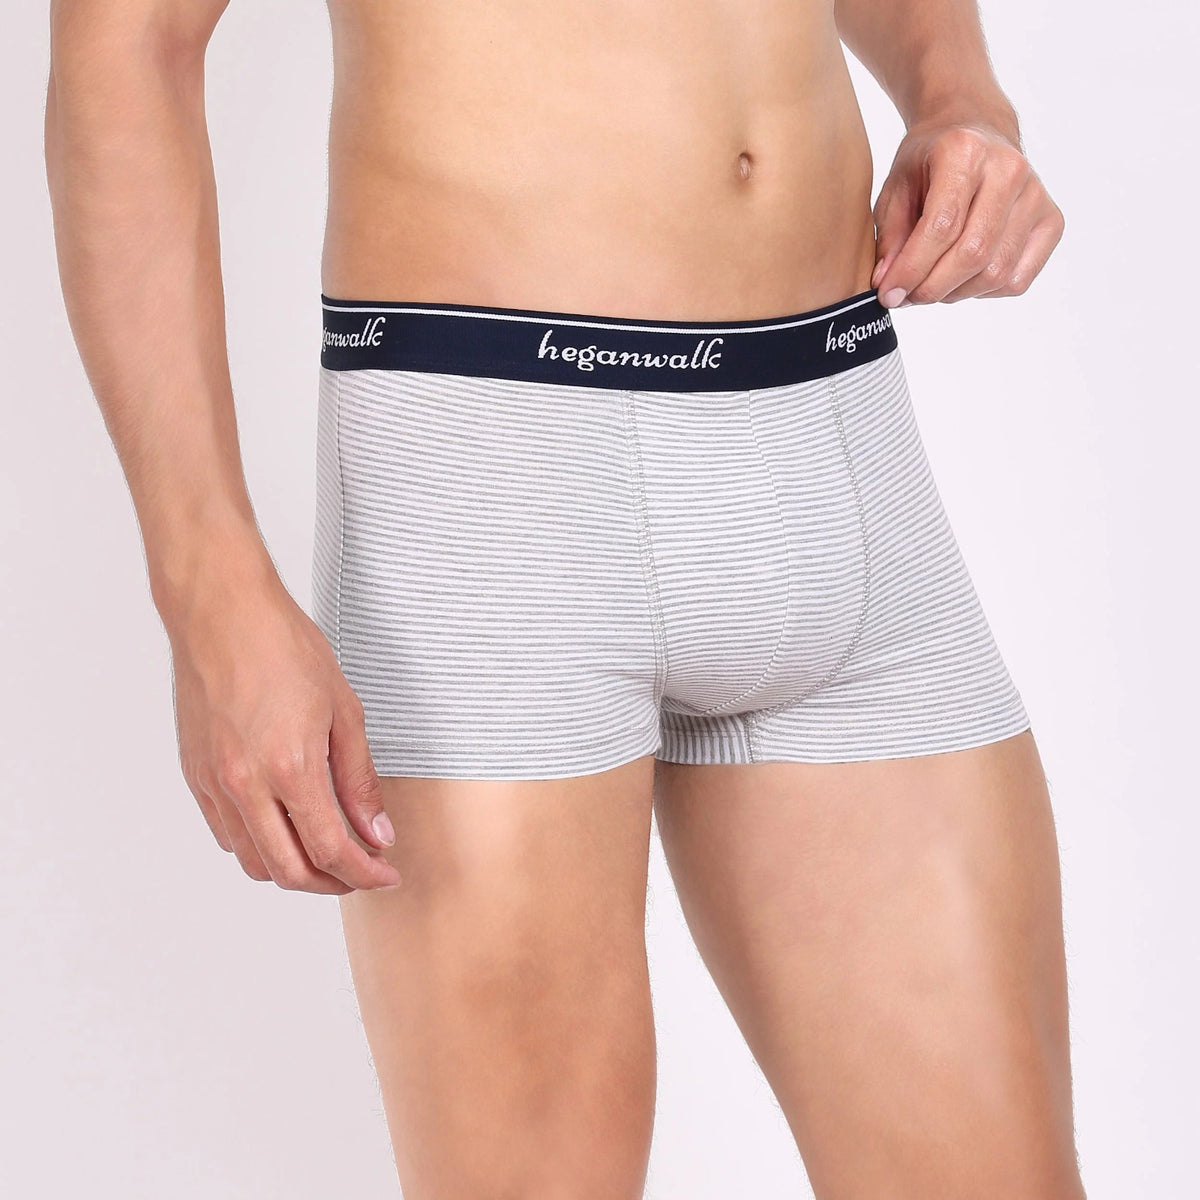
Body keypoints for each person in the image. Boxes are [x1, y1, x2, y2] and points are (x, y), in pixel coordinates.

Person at [45, 0, 1082, 1196]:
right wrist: (209, 591)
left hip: (834, 424)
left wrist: (958, 93)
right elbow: (127, 46)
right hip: (493, 469)